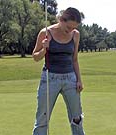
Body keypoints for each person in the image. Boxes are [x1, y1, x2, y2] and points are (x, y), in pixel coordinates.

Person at [32, 7, 85, 135]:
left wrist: (79, 80)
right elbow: (35, 57)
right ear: (61, 20)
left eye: (74, 28)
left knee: (77, 118)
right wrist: (44, 49)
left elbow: (75, 59)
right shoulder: (45, 33)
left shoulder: (76, 35)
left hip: (70, 79)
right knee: (42, 119)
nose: (71, 30)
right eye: (68, 27)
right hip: (50, 78)